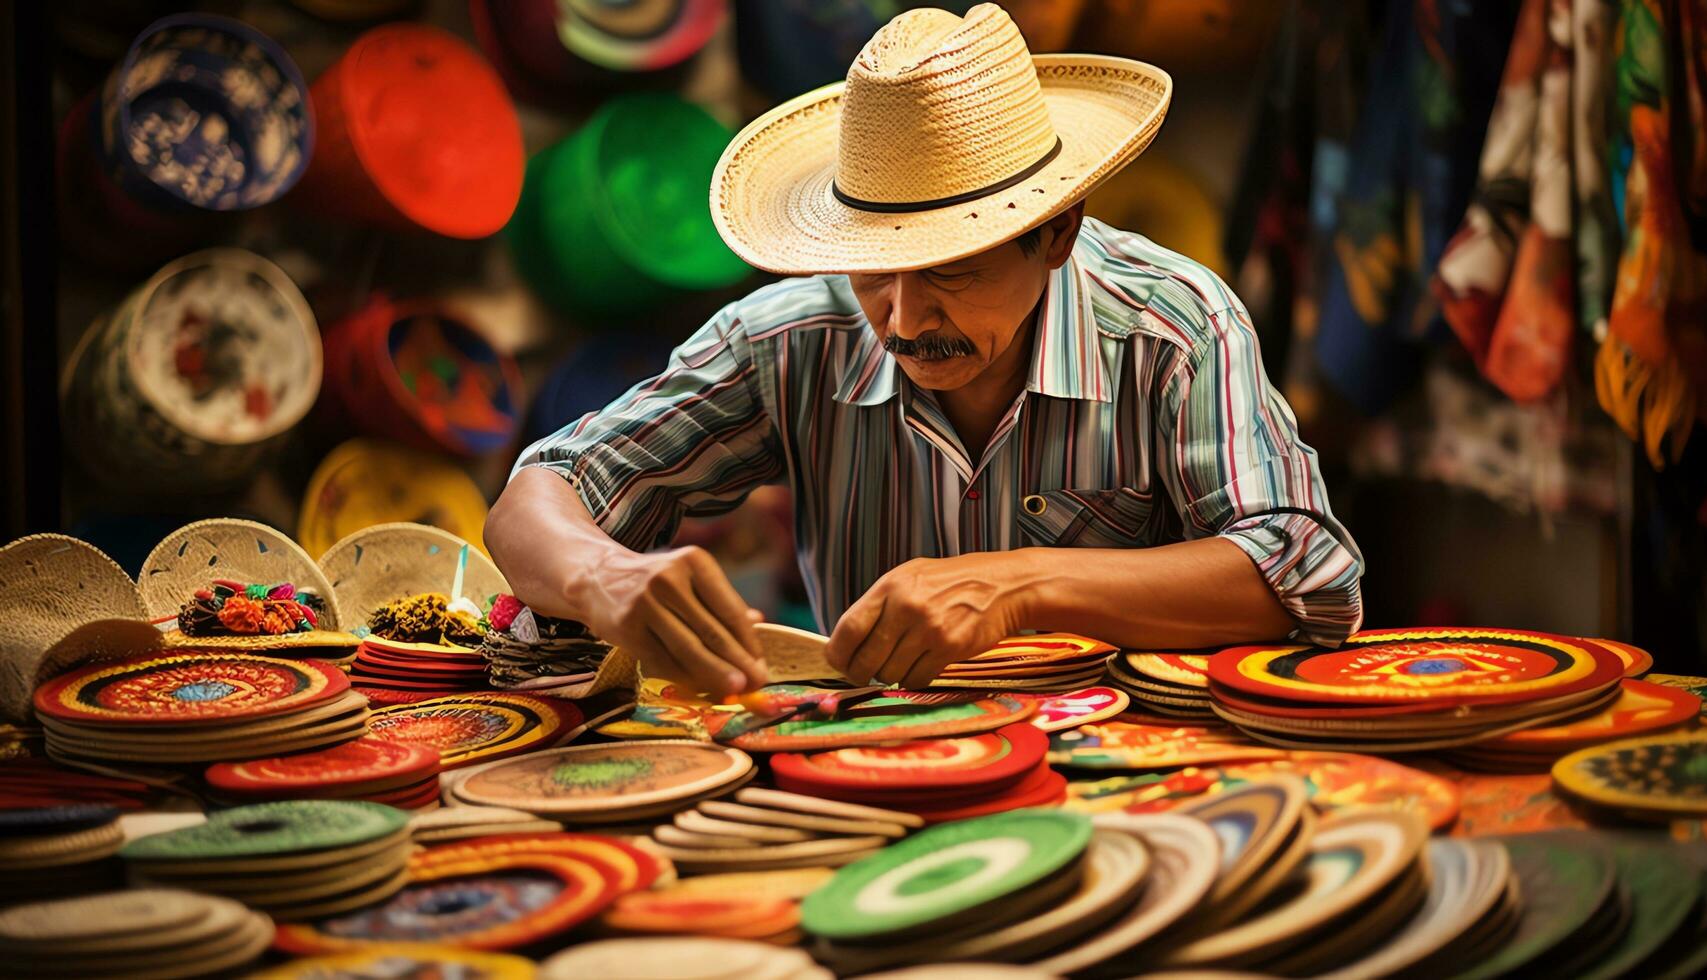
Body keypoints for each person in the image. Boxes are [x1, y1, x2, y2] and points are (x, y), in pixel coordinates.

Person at [488, 3, 1363, 696]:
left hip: (1129, 772)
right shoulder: (794, 338)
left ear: (1055, 234)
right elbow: (543, 489)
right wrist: (603, 574)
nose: (903, 319)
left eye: (952, 270)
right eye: (874, 270)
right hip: (861, 770)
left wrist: (1023, 585)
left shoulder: (1171, 327)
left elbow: (1305, 570)